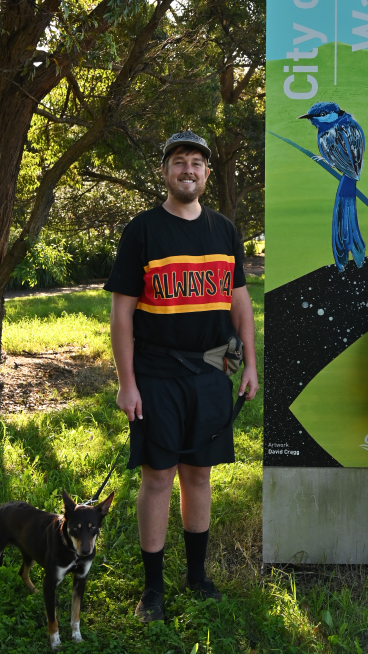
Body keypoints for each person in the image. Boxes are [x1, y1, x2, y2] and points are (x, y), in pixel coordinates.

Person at [104, 131, 259, 623]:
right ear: (166, 172)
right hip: (157, 369)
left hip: (216, 362)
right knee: (158, 476)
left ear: (207, 174)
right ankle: (153, 589)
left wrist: (249, 364)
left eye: (196, 162)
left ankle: (197, 575)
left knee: (199, 474)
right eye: (179, 162)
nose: (188, 169)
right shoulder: (143, 231)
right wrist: (127, 383)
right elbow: (122, 314)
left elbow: (238, 302)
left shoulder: (225, 230)